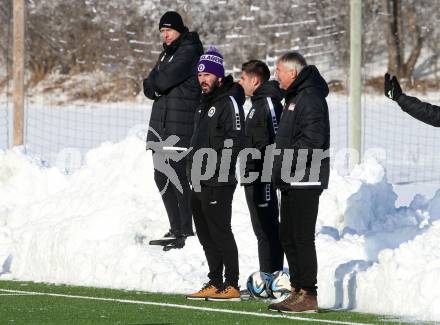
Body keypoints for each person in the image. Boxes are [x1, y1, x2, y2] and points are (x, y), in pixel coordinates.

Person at [268, 52, 330, 313]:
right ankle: (297, 289)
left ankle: (309, 293)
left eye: (279, 70)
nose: (276, 75)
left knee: (302, 237)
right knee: (288, 235)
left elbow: (313, 141)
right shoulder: (294, 96)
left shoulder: (310, 97)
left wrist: (285, 166)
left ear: (293, 72)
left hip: (306, 177)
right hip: (291, 178)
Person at [185, 47, 245, 301]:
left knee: (220, 231)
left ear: (219, 76)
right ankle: (214, 280)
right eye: (200, 75)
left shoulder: (228, 101)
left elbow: (237, 138)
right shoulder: (202, 103)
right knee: (205, 233)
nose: (203, 79)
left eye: (208, 74)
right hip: (198, 180)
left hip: (218, 181)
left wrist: (219, 168)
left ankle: (231, 283)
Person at [143, 11, 203, 249]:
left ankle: (185, 230)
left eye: (168, 30)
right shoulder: (165, 54)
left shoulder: (189, 51)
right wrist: (156, 83)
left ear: (179, 30)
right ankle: (175, 227)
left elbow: (161, 81)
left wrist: (157, 83)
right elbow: (149, 86)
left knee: (177, 176)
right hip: (161, 125)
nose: (165, 35)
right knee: (161, 177)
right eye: (162, 31)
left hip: (180, 125)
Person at [238, 60, 284, 274]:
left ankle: (272, 277)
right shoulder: (256, 104)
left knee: (268, 229)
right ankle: (268, 276)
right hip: (252, 176)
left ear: (254, 80)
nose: (240, 82)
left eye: (243, 78)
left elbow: (277, 139)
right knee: (261, 230)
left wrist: (268, 174)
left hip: (263, 176)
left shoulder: (268, 103)